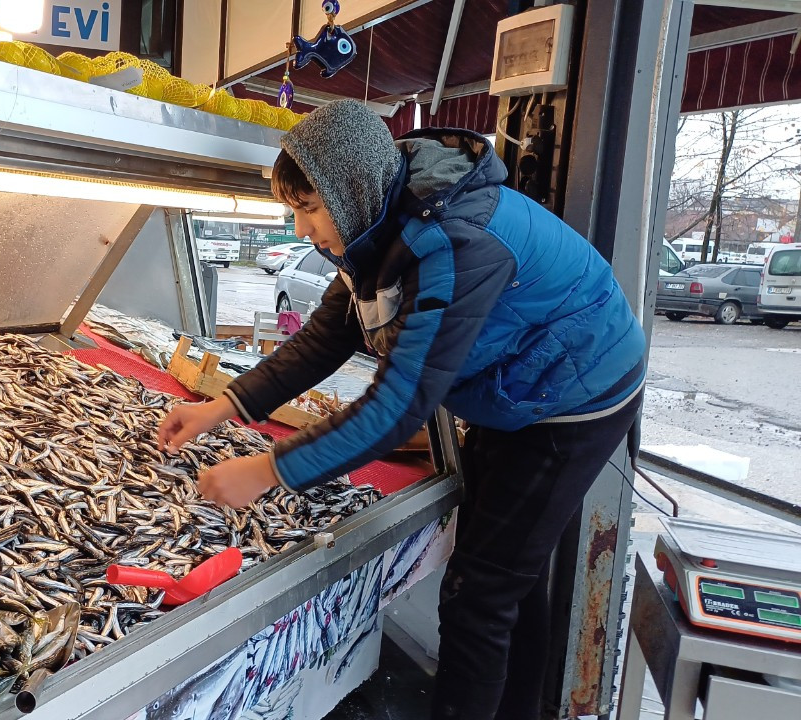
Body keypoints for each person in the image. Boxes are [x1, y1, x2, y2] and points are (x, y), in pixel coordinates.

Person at [156, 99, 646, 720]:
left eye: (309, 209)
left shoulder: (454, 242)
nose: (302, 231)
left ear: (349, 186)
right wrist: (223, 406)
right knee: (505, 577)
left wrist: (267, 471)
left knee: (478, 596)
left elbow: (398, 407)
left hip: (575, 396)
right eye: (294, 211)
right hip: (517, 384)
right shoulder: (381, 219)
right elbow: (328, 334)